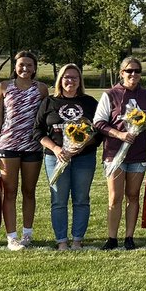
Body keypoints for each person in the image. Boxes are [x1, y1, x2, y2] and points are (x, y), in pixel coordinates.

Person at [35, 64, 101, 250]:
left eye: (74, 77)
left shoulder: (89, 102)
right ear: (60, 80)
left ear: (80, 81)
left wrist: (80, 147)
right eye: (66, 77)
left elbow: (97, 132)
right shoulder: (49, 102)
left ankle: (77, 240)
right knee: (59, 200)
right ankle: (62, 241)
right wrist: (56, 149)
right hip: (55, 157)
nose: (70, 81)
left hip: (84, 158)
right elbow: (37, 131)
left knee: (81, 199)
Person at [0, 50, 49, 251]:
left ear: (34, 68)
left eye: (29, 65)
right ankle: (12, 237)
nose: (25, 69)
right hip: (8, 146)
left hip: (33, 146)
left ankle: (27, 234)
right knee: (10, 192)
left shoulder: (41, 89)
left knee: (29, 191)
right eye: (21, 65)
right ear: (15, 67)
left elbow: (44, 119)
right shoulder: (3, 87)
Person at [94, 57, 146, 250]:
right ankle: (112, 238)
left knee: (133, 196)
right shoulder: (110, 94)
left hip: (139, 153)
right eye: (129, 71)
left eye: (137, 71)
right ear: (121, 73)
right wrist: (119, 134)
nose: (133, 74)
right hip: (114, 154)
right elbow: (99, 122)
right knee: (114, 197)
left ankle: (129, 237)